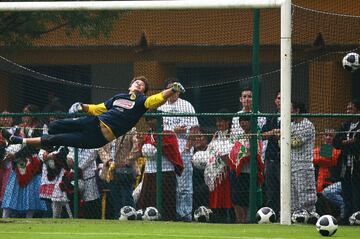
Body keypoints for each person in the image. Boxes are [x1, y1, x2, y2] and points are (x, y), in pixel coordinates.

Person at [1, 76, 185, 149]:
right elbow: (99, 108)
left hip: (98, 138)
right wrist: (82, 106)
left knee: (57, 136)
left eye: (142, 84)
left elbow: (158, 98)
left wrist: (173, 89)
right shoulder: (118, 97)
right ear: (129, 85)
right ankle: (19, 141)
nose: (138, 84)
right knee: (55, 128)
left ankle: (47, 144)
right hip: (94, 122)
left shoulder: (143, 101)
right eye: (136, 82)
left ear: (144, 91)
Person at [158, 77, 199, 222]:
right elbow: (158, 131)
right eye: (171, 89)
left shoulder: (187, 106)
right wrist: (174, 130)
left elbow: (194, 128)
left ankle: (185, 215)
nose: (173, 92)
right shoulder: (161, 108)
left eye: (176, 89)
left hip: (183, 150)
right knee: (169, 185)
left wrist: (187, 148)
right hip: (166, 152)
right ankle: (170, 214)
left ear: (179, 91)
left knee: (185, 186)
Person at [138, 110, 183, 221]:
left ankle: (168, 219)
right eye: (147, 120)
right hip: (150, 171)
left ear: (158, 120)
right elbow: (144, 149)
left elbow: (170, 148)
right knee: (148, 198)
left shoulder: (168, 133)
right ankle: (148, 216)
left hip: (165, 171)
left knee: (165, 199)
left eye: (151, 120)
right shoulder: (148, 135)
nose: (149, 122)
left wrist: (154, 148)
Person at [98, 127, 142, 219]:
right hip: (110, 170)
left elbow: (137, 146)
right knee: (115, 198)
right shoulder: (106, 130)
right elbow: (101, 148)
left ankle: (130, 217)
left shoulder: (131, 130)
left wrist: (128, 160)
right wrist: (108, 161)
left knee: (126, 196)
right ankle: (118, 218)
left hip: (126, 169)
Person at [228, 115, 265, 223]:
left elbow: (256, 152)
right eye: (241, 121)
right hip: (238, 172)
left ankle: (246, 220)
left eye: (245, 121)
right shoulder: (241, 136)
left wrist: (244, 156)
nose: (243, 123)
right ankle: (240, 220)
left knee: (245, 199)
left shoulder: (256, 135)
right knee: (236, 199)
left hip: (249, 173)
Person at [290, 101, 318, 223]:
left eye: (290, 108)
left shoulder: (307, 124)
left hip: (303, 165)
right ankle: (297, 217)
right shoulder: (291, 125)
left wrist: (284, 139)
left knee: (305, 192)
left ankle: (311, 216)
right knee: (293, 194)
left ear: (296, 110)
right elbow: (282, 143)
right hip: (291, 165)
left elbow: (296, 142)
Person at [333, 99, 360, 221]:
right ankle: (346, 217)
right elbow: (336, 142)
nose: (348, 111)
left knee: (356, 192)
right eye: (347, 109)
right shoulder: (344, 125)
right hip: (345, 167)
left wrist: (346, 143)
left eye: (351, 109)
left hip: (357, 166)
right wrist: (349, 142)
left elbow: (357, 144)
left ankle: (356, 216)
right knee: (346, 192)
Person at [313, 128, 344, 220]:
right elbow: (313, 157)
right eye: (326, 135)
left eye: (331, 136)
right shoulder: (318, 149)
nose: (328, 138)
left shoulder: (338, 150)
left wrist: (318, 156)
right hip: (319, 181)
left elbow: (324, 160)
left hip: (331, 181)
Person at [261, 91, 281, 217]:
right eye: (278, 98)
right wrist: (274, 132)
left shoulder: (292, 118)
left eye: (282, 98)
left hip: (284, 160)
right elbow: (262, 135)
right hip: (270, 158)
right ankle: (272, 214)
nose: (280, 100)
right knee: (271, 190)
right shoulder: (271, 118)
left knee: (283, 188)